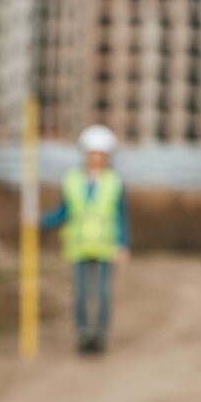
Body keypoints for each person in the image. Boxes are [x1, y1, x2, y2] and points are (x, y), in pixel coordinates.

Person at [42, 124, 130, 354]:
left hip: (105, 246)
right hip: (78, 246)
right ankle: (83, 334)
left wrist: (122, 245)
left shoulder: (115, 181)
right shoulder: (71, 179)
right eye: (93, 154)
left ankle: (99, 335)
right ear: (85, 154)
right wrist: (39, 221)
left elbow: (121, 216)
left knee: (101, 294)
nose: (97, 158)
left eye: (101, 154)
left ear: (108, 155)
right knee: (80, 294)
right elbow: (64, 211)